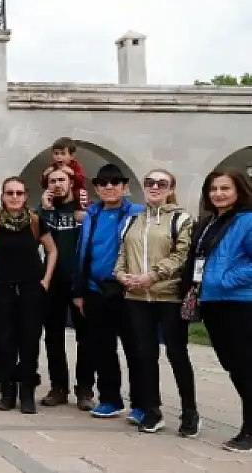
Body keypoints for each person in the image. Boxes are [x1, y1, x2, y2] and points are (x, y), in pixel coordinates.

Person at [113, 169, 196, 435]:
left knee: (177, 354)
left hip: (169, 296)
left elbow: (182, 254)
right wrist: (120, 274)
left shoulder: (181, 219)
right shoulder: (132, 220)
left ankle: (190, 412)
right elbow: (121, 254)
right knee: (144, 355)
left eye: (162, 183)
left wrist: (153, 275)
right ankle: (152, 410)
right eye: (150, 183)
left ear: (171, 188)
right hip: (136, 297)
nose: (155, 187)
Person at [0, 177, 57, 414]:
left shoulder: (35, 222)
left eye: (19, 193)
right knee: (4, 342)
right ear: (2, 196)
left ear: (25, 196)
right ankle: (7, 392)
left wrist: (46, 280)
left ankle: (27, 394)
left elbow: (52, 251)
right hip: (1, 290)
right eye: (10, 193)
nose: (14, 197)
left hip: (31, 290)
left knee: (30, 342)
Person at [186, 168, 252, 452]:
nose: (218, 194)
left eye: (225, 188)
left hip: (239, 302)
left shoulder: (247, 220)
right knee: (233, 365)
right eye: (213, 189)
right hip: (213, 302)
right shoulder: (210, 222)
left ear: (239, 191)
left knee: (244, 365)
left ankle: (250, 430)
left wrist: (224, 280)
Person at [74, 163, 144, 422]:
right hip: (95, 289)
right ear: (96, 188)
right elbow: (83, 253)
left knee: (135, 348)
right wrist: (78, 290)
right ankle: (110, 399)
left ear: (124, 187)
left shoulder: (138, 213)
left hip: (127, 290)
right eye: (103, 183)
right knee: (102, 348)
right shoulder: (92, 215)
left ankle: (142, 403)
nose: (109, 187)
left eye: (115, 182)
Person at [37, 164, 90, 409]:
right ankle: (58, 387)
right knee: (53, 337)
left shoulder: (84, 211)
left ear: (70, 183)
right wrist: (45, 210)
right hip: (51, 283)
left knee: (86, 338)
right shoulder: (41, 213)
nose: (57, 184)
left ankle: (85, 390)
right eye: (52, 181)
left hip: (80, 283)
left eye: (61, 180)